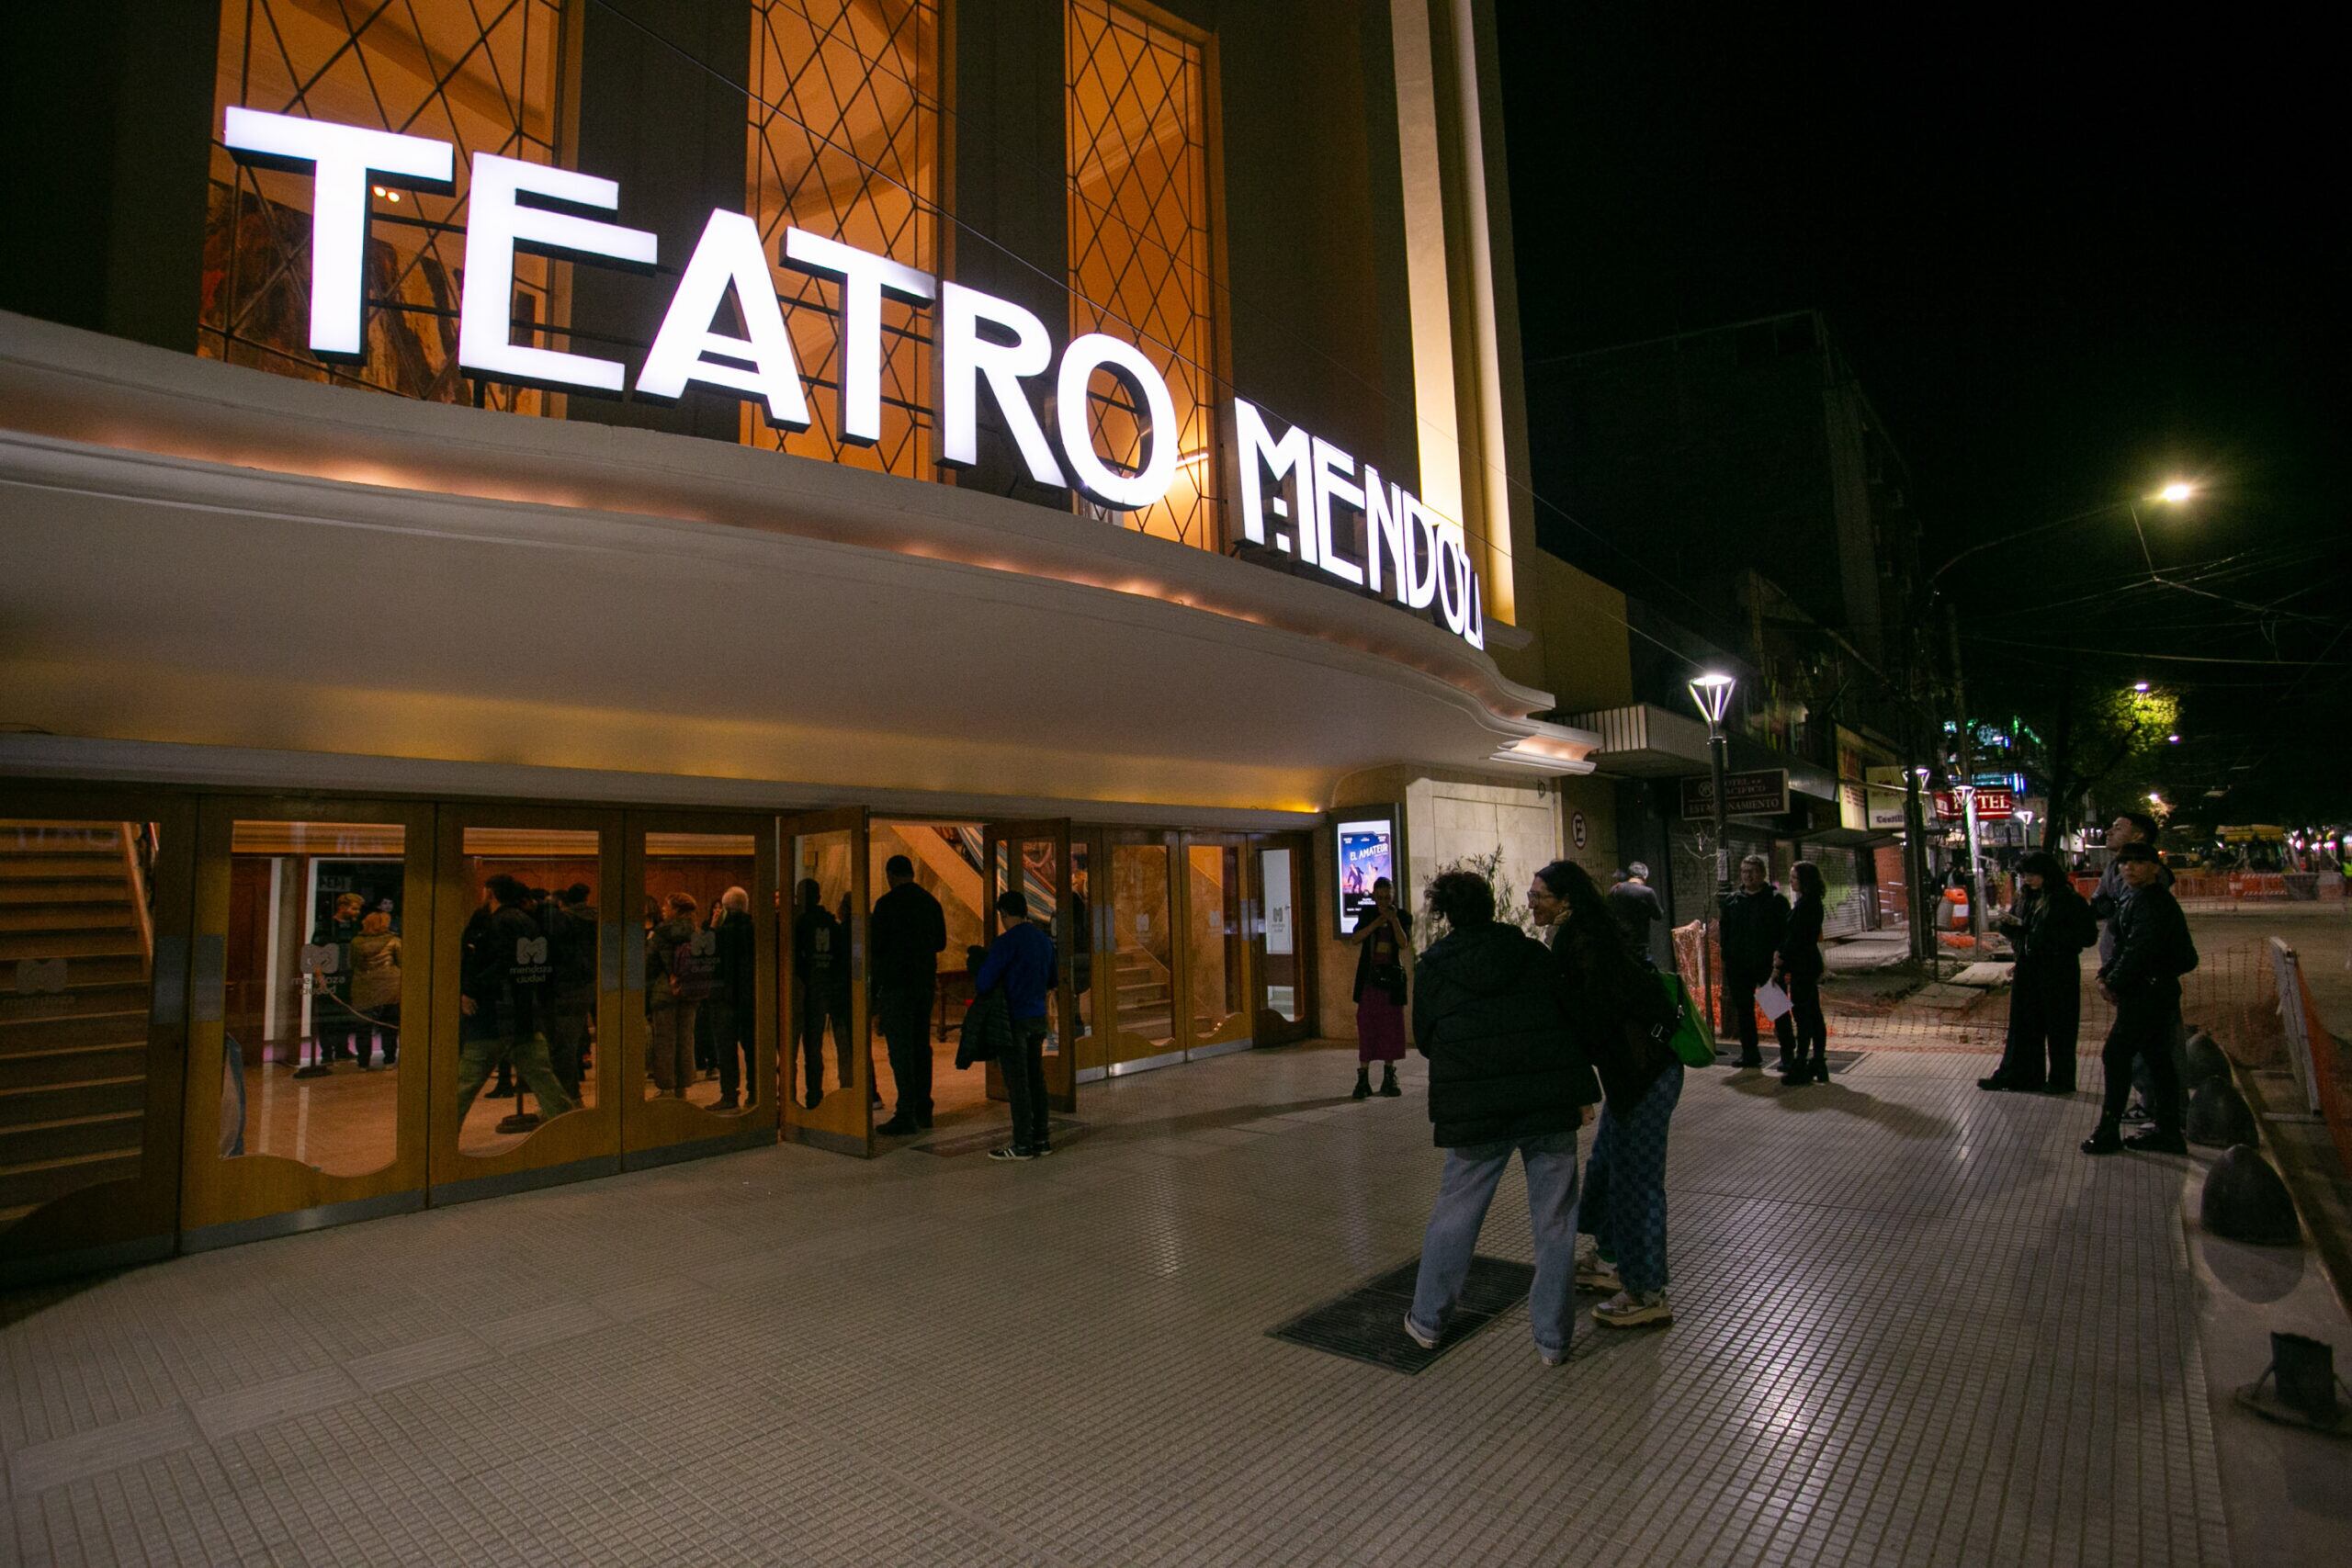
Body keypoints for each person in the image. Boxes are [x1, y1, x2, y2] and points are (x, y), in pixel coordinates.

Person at [1402, 870, 1600, 1365]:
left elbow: (1426, 1038)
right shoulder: (1533, 955)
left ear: (1447, 914)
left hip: (1477, 1109)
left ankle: (1427, 1320)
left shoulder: (1434, 968)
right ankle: (1553, 1340)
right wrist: (1580, 1091)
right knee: (1554, 1221)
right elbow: (1567, 1021)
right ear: (1492, 905)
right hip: (1546, 1100)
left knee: (1457, 1210)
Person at [1531, 861, 1682, 1329]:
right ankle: (1612, 1260)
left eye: (1540, 895)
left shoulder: (1586, 944)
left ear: (1566, 901)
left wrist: (1576, 1089)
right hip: (1631, 1071)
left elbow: (1589, 1021)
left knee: (1637, 1182)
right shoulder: (1579, 935)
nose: (1532, 902)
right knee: (1607, 1167)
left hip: (1644, 1072)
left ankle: (1646, 1291)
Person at [2083, 841, 2196, 1156]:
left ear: (2155, 867)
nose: (2129, 867)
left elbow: (2138, 949)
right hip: (2152, 993)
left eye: (2137, 862)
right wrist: (2107, 972)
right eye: (2123, 863)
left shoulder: (2151, 903)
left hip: (2145, 994)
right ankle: (2168, 1130)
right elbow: (2127, 947)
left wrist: (2112, 981)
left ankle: (2109, 1130)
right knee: (2158, 1060)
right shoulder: (2140, 900)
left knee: (2116, 1054)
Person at [452, 874, 575, 1124]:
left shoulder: (495, 923)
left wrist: (470, 991)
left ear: (491, 893)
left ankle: (436, 1142)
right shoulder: (528, 922)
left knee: (465, 1082)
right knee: (545, 1081)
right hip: (525, 1013)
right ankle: (570, 1132)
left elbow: (497, 965)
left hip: (493, 1014)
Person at [1980, 851, 2097, 1093]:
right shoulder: (2026, 899)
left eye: (2032, 875)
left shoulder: (2066, 899)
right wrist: (2011, 928)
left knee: (2060, 1026)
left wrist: (2042, 936)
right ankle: (2021, 1075)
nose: (2027, 880)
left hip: (2058, 969)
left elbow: (2086, 936)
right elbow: (2022, 930)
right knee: (2024, 1024)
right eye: (2024, 875)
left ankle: (2060, 1079)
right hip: (2029, 967)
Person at [2089, 810, 2176, 1122]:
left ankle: (2151, 1112)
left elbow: (2137, 942)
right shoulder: (2113, 870)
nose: (2109, 832)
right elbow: (2101, 905)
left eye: (2118, 827)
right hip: (2127, 977)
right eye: (2125, 865)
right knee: (2148, 1050)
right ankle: (2160, 1113)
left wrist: (2113, 978)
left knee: (2128, 1052)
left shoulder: (2151, 895)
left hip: (2142, 982)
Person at [977, 889, 1057, 1160]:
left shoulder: (1006, 942)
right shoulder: (1044, 941)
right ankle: (1042, 1138)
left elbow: (984, 981)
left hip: (1013, 1018)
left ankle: (1022, 1143)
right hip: (1037, 1015)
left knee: (1017, 1082)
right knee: (1036, 1078)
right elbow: (1053, 978)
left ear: (1004, 914)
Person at [871, 854, 947, 1135]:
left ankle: (905, 1112)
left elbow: (875, 948)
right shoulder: (930, 902)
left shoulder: (886, 905)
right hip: (923, 984)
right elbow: (940, 942)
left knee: (900, 1049)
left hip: (896, 987)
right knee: (920, 1046)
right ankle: (923, 1108)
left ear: (891, 875)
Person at [1718, 854, 1795, 1070]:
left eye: (1752, 872)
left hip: (1766, 966)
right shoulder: (1733, 901)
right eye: (1744, 871)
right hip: (1739, 966)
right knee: (1744, 1011)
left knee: (1777, 1010)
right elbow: (1725, 931)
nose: (1747, 876)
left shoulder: (1775, 901)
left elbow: (1785, 932)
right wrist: (1728, 956)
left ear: (1762, 874)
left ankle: (1788, 1053)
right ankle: (1750, 1053)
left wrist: (1780, 960)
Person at [1346, 876, 1412, 1100]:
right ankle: (1363, 1077)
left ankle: (1389, 1075)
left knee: (1391, 1027)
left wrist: (1393, 920)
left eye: (1387, 897)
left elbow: (1404, 944)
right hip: (1369, 980)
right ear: (1374, 896)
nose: (1384, 901)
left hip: (1391, 981)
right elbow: (1356, 938)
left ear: (1393, 896)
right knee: (1367, 1025)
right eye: (1380, 897)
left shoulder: (1403, 916)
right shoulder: (1366, 914)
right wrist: (1377, 921)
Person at [645, 891, 709, 1098]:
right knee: (686, 1038)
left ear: (676, 910)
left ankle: (666, 1087)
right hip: (690, 991)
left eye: (667, 905)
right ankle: (683, 1085)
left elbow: (649, 963)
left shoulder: (661, 932)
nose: (663, 909)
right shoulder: (696, 931)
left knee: (665, 1040)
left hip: (665, 992)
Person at [791, 880, 848, 1108]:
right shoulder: (831, 924)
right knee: (814, 1049)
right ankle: (814, 1095)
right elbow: (840, 959)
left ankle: (788, 1097)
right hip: (822, 989)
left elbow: (794, 958)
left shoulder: (796, 923)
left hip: (800, 992)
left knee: (791, 1050)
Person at [543, 884, 598, 1100]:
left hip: (568, 986)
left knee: (563, 1045)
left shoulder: (563, 921)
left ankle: (569, 1097)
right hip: (599, 981)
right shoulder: (600, 919)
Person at [1775, 863, 1828, 1087]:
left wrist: (1780, 962)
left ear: (1805, 880)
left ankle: (1802, 1062)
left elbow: (1797, 937)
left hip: (1802, 966)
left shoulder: (1807, 905)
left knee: (1804, 1015)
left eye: (1794, 877)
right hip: (1806, 964)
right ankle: (1816, 1061)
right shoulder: (1810, 903)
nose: (1791, 881)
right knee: (1812, 1014)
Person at [708, 886, 756, 1111]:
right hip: (751, 997)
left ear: (724, 909)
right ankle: (756, 1093)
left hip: (724, 998)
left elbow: (708, 960)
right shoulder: (756, 929)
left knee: (726, 1049)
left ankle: (729, 1095)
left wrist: (712, 928)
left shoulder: (720, 933)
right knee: (752, 1047)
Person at [309, 891, 367, 1066]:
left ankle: (342, 1049)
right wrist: (320, 979)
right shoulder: (325, 927)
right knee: (327, 1017)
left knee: (345, 1015)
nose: (357, 912)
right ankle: (327, 1053)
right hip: (329, 976)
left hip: (350, 976)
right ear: (342, 907)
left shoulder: (356, 928)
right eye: (354, 908)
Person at [346, 908, 402, 1068]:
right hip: (391, 988)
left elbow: (352, 963)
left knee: (363, 1028)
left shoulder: (356, 942)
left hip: (363, 989)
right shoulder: (394, 941)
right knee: (389, 1027)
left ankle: (363, 1062)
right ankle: (389, 1060)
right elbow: (403, 962)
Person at [1605, 863, 1665, 966]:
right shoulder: (1647, 892)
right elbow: (1658, 915)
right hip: (1640, 946)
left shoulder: (1615, 889)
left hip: (1619, 944)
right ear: (1645, 876)